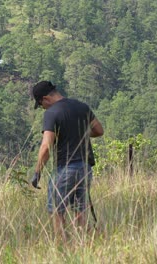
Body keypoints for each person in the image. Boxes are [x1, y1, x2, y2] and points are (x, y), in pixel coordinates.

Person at [30, 81, 104, 241]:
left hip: (65, 169)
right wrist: (81, 132)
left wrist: (37, 172)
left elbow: (46, 146)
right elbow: (99, 130)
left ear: (45, 99)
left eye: (41, 104)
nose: (43, 108)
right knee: (80, 209)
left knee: (56, 210)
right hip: (85, 168)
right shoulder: (82, 107)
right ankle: (85, 244)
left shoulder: (51, 113)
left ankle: (61, 247)